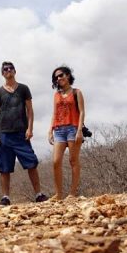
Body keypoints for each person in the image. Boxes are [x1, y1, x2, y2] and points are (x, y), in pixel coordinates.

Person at [0, 61, 47, 205]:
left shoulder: (23, 89)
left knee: (31, 163)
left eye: (10, 68)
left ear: (15, 71)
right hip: (4, 134)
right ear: (2, 73)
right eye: (5, 69)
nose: (8, 71)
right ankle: (5, 197)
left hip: (21, 133)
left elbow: (30, 110)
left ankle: (38, 194)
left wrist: (30, 128)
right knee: (4, 167)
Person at [47, 66, 85, 200]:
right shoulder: (56, 95)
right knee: (56, 161)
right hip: (59, 130)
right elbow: (54, 113)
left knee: (73, 160)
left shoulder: (76, 92)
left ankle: (72, 194)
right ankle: (58, 194)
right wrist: (50, 129)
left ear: (68, 75)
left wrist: (79, 130)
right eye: (56, 77)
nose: (59, 78)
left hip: (73, 129)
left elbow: (82, 112)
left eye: (61, 75)